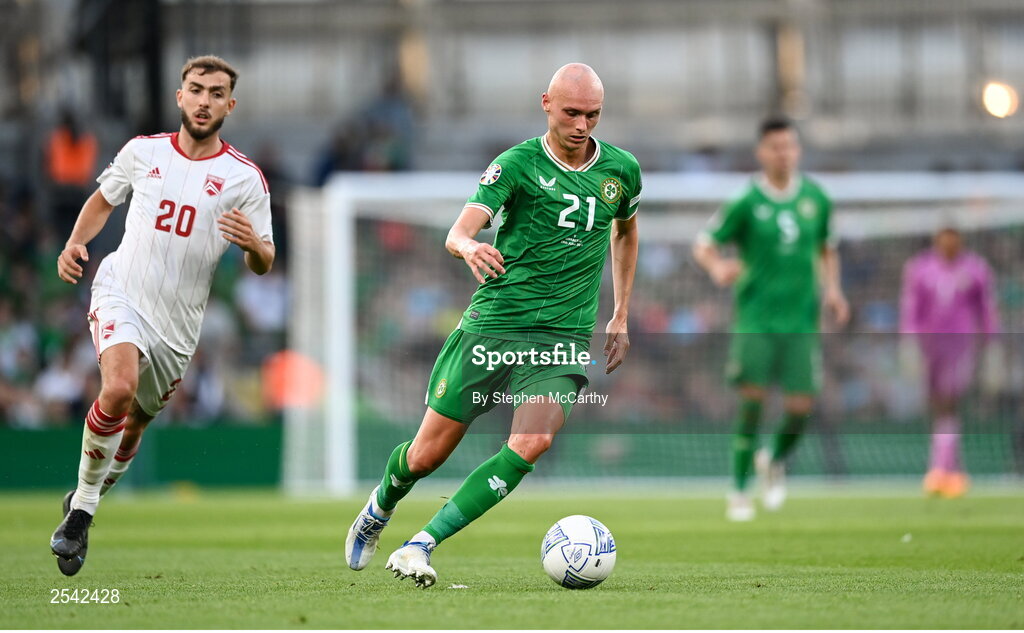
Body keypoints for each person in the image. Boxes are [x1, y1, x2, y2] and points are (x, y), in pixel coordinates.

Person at [344, 63, 641, 587]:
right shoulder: (517, 164)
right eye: (571, 112)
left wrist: (619, 312)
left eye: (592, 115)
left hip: (563, 336)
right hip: (497, 323)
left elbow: (626, 232)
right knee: (426, 454)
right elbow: (460, 231)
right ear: (545, 102)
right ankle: (381, 504)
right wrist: (468, 246)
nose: (582, 125)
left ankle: (421, 544)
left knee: (531, 444)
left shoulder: (622, 170)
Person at [49, 55, 274, 576]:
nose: (204, 100)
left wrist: (254, 248)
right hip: (121, 290)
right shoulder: (142, 152)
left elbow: (265, 260)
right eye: (196, 89)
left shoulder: (244, 179)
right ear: (180, 96)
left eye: (217, 93)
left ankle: (83, 497)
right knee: (119, 389)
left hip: (178, 326)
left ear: (229, 105)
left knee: (136, 426)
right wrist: (74, 244)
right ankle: (82, 512)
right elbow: (103, 200)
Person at [693, 116, 849, 521]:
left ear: (797, 150)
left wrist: (833, 289)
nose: (784, 153)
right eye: (776, 146)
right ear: (762, 152)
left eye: (790, 146)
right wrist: (717, 268)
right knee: (752, 404)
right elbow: (705, 243)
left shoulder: (816, 198)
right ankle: (739, 492)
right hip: (756, 319)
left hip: (801, 322)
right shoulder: (746, 201)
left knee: (801, 407)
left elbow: (827, 249)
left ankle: (774, 459)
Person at [900, 224, 999, 498]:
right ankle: (949, 469)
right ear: (936, 240)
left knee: (949, 401)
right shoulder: (920, 268)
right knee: (937, 404)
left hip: (959, 344)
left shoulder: (976, 269)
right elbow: (912, 307)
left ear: (960, 241)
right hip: (929, 345)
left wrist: (993, 345)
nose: (948, 245)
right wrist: (909, 341)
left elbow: (987, 309)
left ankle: (942, 470)